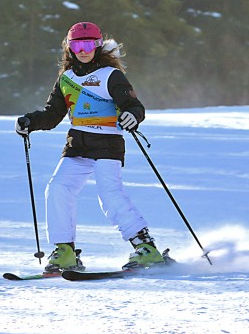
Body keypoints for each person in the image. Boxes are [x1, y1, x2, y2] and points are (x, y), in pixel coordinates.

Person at [15, 21, 166, 273]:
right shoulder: (67, 78)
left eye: (89, 44)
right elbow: (52, 115)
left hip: (107, 144)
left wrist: (132, 116)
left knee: (109, 194)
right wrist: (29, 122)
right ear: (69, 47)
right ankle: (65, 251)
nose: (83, 50)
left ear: (98, 46)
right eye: (77, 45)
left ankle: (145, 247)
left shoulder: (111, 75)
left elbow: (133, 105)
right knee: (58, 189)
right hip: (77, 145)